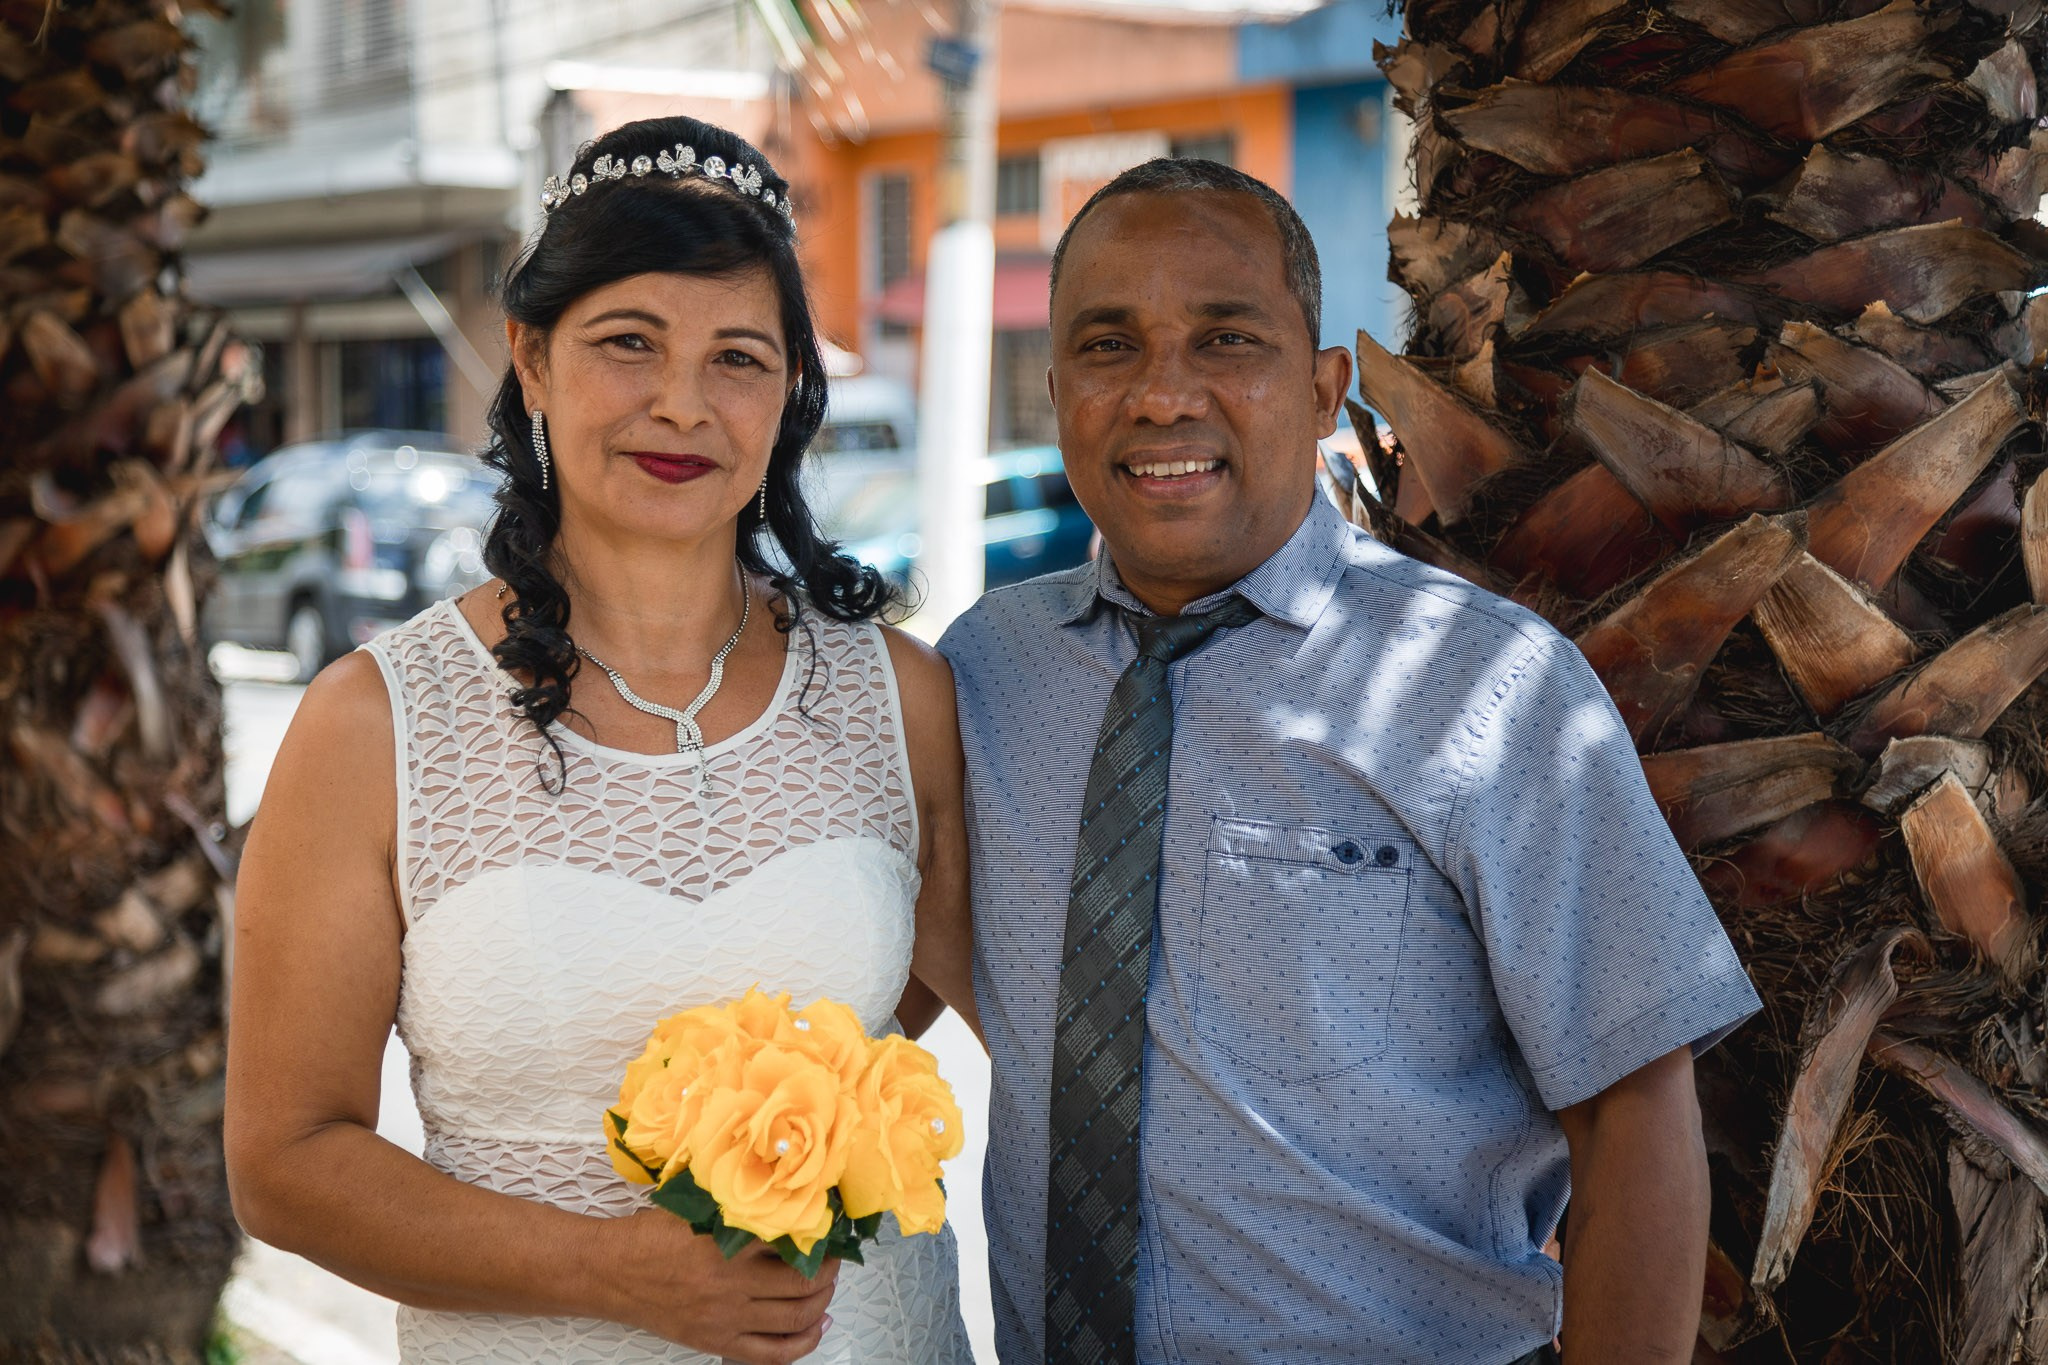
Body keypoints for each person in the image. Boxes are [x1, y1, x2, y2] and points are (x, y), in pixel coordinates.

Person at [938, 158, 1763, 1365]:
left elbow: (1633, 1109)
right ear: (1056, 385)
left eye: (1226, 340)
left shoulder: (1484, 687)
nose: (1163, 396)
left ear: (1325, 388)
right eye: (1108, 347)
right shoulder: (982, 673)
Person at [224, 116, 977, 1365]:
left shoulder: (898, 699)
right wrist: (614, 1272)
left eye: (738, 357)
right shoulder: (371, 726)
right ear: (531, 357)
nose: (680, 404)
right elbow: (286, 1164)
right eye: (628, 343)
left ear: (788, 387)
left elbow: (920, 1006)